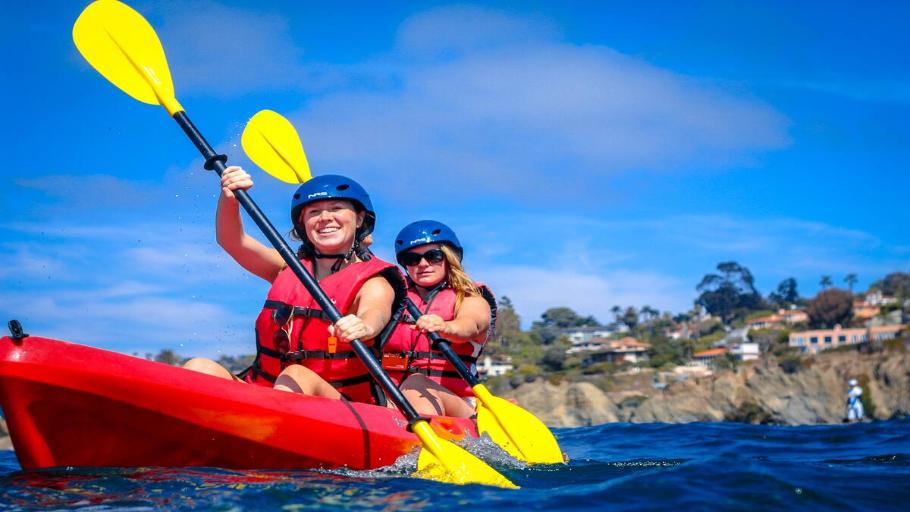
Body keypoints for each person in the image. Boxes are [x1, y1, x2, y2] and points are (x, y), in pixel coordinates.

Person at [183, 166, 405, 404]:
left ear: (360, 218)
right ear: (303, 224)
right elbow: (232, 241)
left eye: (336, 208)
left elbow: (376, 311)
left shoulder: (374, 281)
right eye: (314, 212)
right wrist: (230, 198)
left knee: (296, 375)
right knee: (199, 367)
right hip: (266, 392)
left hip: (343, 406)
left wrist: (364, 326)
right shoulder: (287, 268)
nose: (325, 218)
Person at [379, 220, 497, 418]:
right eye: (412, 259)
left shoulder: (470, 297)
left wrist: (446, 327)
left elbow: (471, 324)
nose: (423, 264)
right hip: (394, 398)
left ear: (449, 257)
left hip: (457, 404)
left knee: (416, 384)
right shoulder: (392, 297)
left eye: (433, 256)